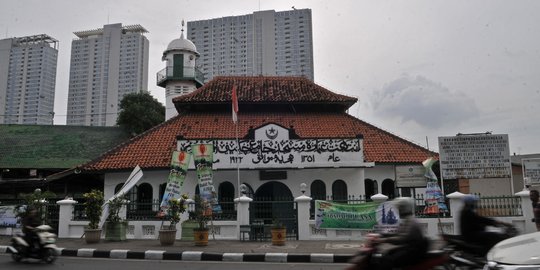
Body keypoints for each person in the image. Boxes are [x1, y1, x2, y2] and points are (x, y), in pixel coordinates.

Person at [370, 197, 430, 270]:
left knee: (388, 260)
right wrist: (382, 235)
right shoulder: (408, 220)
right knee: (387, 253)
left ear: (403, 209)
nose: (398, 211)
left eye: (399, 209)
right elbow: (397, 233)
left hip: (413, 251)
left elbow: (402, 238)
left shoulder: (411, 221)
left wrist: (384, 240)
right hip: (410, 248)